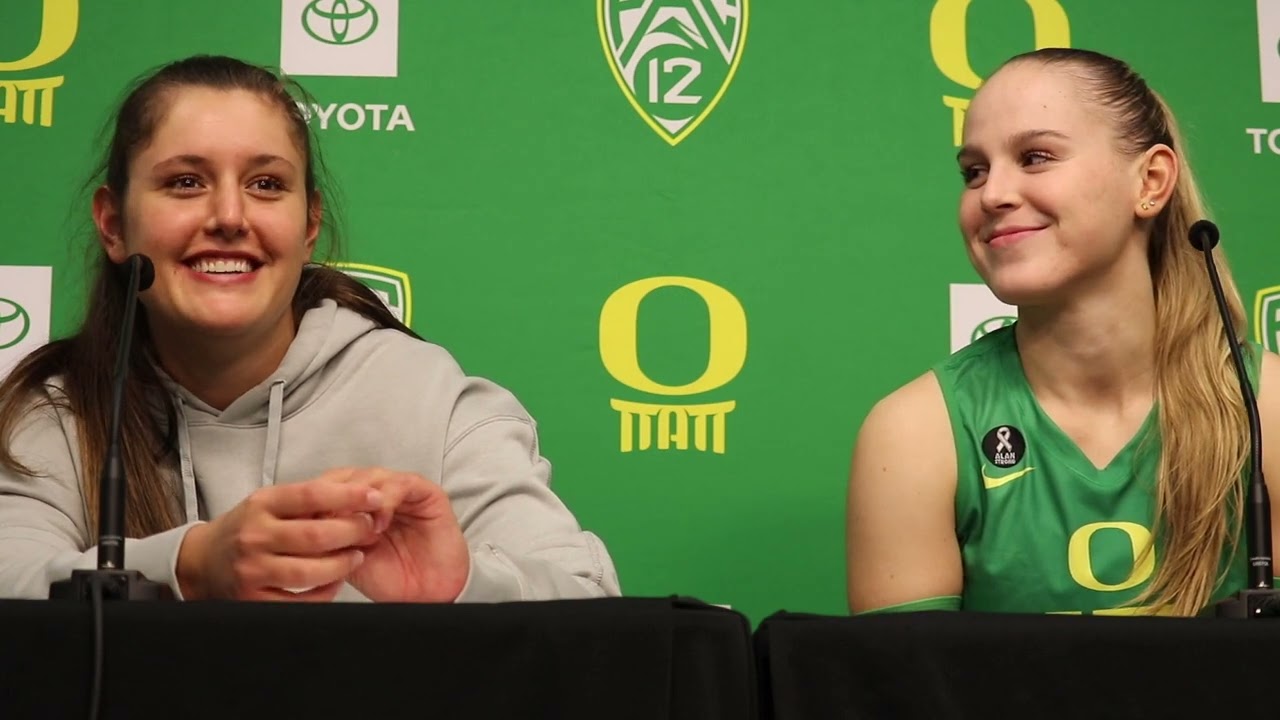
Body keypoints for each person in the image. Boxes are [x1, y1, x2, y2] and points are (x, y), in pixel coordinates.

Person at [0, 55, 620, 603]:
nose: (229, 216)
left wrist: (459, 587)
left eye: (266, 184)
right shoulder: (55, 412)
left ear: (309, 227)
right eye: (185, 182)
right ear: (113, 225)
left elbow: (594, 607)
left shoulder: (432, 400)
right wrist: (188, 567)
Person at [845, 47, 1280, 617]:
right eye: (974, 171)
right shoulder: (914, 434)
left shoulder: (1266, 408)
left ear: (1150, 180)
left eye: (1036, 156)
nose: (992, 194)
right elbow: (907, 693)